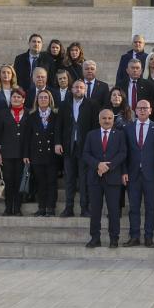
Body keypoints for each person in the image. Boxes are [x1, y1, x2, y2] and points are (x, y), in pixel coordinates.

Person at [84, 107, 128, 248]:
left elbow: (123, 153)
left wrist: (108, 166)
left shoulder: (120, 134)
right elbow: (85, 154)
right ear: (99, 120)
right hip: (95, 178)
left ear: (113, 120)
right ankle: (95, 238)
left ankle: (114, 238)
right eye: (104, 118)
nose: (107, 120)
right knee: (95, 210)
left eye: (109, 118)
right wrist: (98, 165)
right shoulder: (91, 135)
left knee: (114, 210)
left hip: (113, 178)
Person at [123, 98, 154, 246]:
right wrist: (124, 171)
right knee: (133, 207)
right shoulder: (127, 128)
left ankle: (148, 237)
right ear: (135, 110)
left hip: (151, 174)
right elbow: (124, 152)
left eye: (145, 108)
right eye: (139, 108)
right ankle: (134, 237)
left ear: (150, 110)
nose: (142, 110)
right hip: (133, 174)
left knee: (150, 208)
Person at [58, 79, 93, 218]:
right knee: (69, 179)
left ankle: (85, 208)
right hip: (69, 146)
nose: (78, 89)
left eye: (81, 87)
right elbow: (58, 125)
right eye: (76, 87)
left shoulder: (91, 104)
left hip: (85, 147)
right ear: (71, 90)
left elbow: (94, 127)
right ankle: (69, 207)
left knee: (84, 179)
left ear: (85, 90)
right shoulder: (64, 104)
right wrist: (57, 143)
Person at [24, 90, 61, 216]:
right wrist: (26, 154)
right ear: (37, 100)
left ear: (50, 99)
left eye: (46, 97)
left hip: (52, 154)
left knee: (51, 181)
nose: (43, 99)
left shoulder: (56, 115)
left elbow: (58, 133)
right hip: (36, 154)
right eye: (41, 98)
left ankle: (50, 208)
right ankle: (41, 207)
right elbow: (27, 137)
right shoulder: (31, 115)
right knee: (41, 182)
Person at [0, 88, 29, 217]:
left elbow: (29, 136)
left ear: (23, 99)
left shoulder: (28, 113)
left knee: (19, 181)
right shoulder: (3, 113)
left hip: (22, 155)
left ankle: (17, 208)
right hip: (6, 153)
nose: (16, 99)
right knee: (8, 181)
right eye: (14, 97)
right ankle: (8, 208)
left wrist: (27, 154)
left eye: (19, 97)